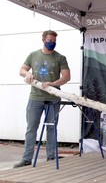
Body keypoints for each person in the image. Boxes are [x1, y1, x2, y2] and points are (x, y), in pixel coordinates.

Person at [13, 30, 70, 168]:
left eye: (54, 41)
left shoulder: (60, 58)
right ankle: (26, 159)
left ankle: (51, 157)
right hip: (35, 98)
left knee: (52, 128)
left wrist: (53, 84)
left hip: (53, 99)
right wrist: (28, 74)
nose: (52, 43)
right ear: (43, 40)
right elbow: (21, 70)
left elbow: (66, 77)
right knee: (31, 128)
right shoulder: (33, 55)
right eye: (50, 40)